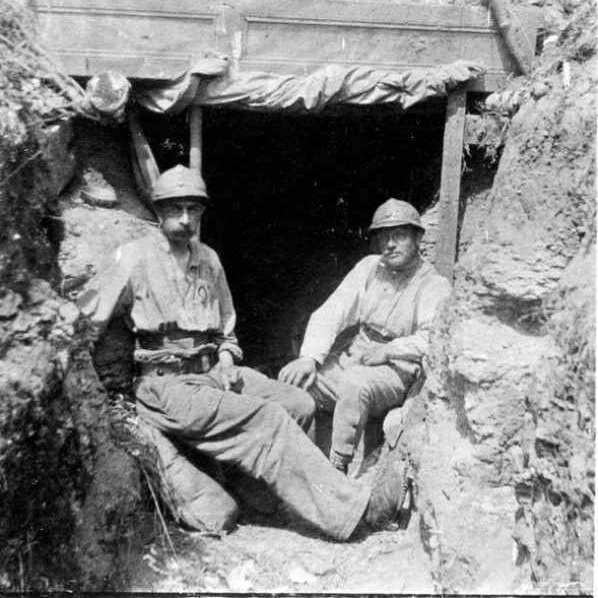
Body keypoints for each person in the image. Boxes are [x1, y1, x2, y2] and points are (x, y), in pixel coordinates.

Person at [78, 165, 405, 539]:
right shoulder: (133, 256)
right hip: (166, 387)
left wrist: (228, 358)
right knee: (268, 419)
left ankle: (262, 501)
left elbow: (226, 333)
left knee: (298, 403)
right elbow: (85, 321)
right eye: (175, 209)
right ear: (158, 210)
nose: (186, 220)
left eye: (194, 210)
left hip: (213, 374)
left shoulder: (210, 260)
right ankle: (356, 513)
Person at [279, 199, 451, 474]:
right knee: (296, 382)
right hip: (357, 354)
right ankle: (300, 467)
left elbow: (432, 340)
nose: (390, 245)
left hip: (398, 369)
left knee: (355, 384)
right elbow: (332, 312)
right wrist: (309, 358)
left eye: (399, 236)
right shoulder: (370, 267)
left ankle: (337, 470)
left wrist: (392, 349)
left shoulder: (434, 284)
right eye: (383, 237)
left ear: (418, 238)